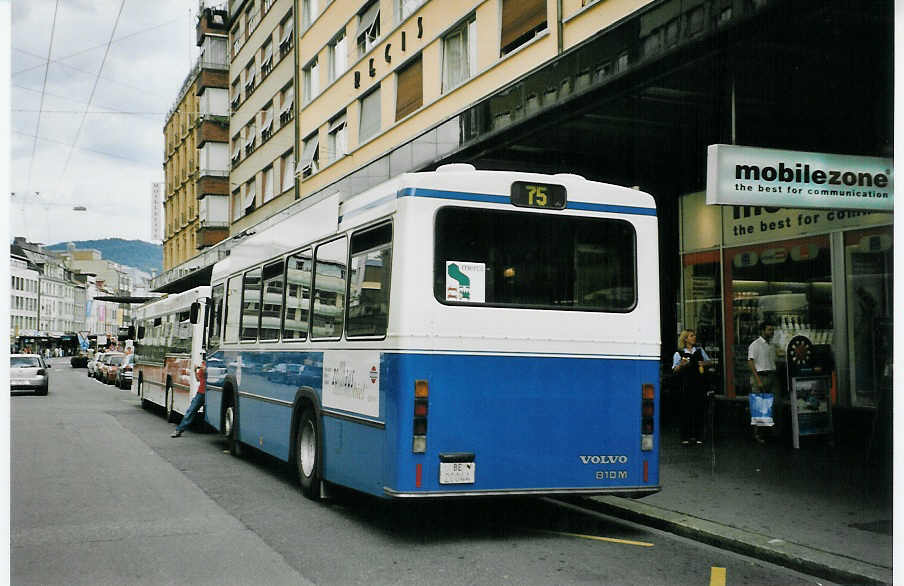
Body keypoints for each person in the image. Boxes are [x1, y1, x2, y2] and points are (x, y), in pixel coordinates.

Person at [672, 329, 712, 445]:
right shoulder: (679, 353)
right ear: (685, 339)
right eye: (691, 336)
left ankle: (698, 436)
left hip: (699, 384)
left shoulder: (699, 351)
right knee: (686, 410)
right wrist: (681, 364)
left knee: (699, 409)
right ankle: (686, 436)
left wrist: (703, 363)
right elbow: (674, 369)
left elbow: (709, 362)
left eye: (694, 335)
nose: (694, 337)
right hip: (686, 385)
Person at [748, 322, 779, 444]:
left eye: (772, 330)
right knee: (759, 406)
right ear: (762, 331)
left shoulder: (772, 345)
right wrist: (758, 380)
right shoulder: (755, 345)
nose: (771, 332)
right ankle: (758, 434)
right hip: (760, 376)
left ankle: (769, 432)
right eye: (769, 329)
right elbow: (750, 362)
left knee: (771, 405)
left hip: (771, 375)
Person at [171, 360, 207, 438]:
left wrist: (200, 367)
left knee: (192, 410)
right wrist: (194, 370)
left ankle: (179, 430)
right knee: (191, 410)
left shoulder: (211, 362)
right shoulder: (204, 363)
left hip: (208, 392)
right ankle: (179, 430)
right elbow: (198, 379)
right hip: (201, 392)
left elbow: (206, 370)